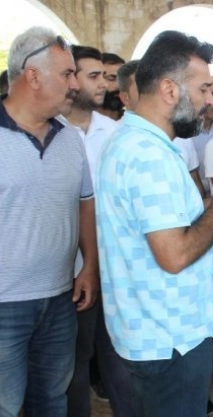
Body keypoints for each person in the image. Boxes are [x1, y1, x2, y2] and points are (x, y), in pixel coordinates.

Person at [96, 30, 213, 416]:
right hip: (169, 340)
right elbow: (174, 254)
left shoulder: (131, 141)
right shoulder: (150, 157)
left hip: (147, 332)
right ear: (169, 89)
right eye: (203, 89)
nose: (211, 101)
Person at [0, 26, 97, 416]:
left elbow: (85, 203)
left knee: (52, 402)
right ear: (33, 76)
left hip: (60, 300)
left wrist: (89, 266)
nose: (75, 84)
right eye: (67, 74)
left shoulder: (70, 137)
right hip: (4, 305)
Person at [59, 44, 119, 417]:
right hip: (68, 270)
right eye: (93, 76)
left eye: (104, 76)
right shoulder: (52, 130)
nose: (103, 84)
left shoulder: (115, 132)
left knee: (117, 357)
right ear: (71, 79)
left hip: (114, 265)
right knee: (74, 360)